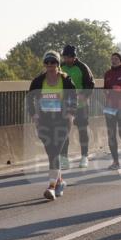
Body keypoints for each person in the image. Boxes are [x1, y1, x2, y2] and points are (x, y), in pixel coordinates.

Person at [27, 51, 77, 200]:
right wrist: (34, 115)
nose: (50, 65)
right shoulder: (38, 81)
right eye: (47, 62)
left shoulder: (66, 80)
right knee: (51, 153)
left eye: (53, 62)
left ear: (58, 64)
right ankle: (60, 181)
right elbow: (30, 99)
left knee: (55, 152)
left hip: (62, 122)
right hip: (44, 121)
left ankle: (51, 187)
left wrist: (70, 114)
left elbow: (73, 99)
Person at [60, 45, 95, 168]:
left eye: (69, 57)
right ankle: (64, 158)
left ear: (74, 57)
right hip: (66, 105)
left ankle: (84, 156)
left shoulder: (83, 67)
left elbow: (91, 84)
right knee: (64, 132)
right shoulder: (61, 67)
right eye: (65, 57)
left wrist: (85, 95)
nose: (66, 59)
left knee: (82, 130)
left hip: (81, 105)